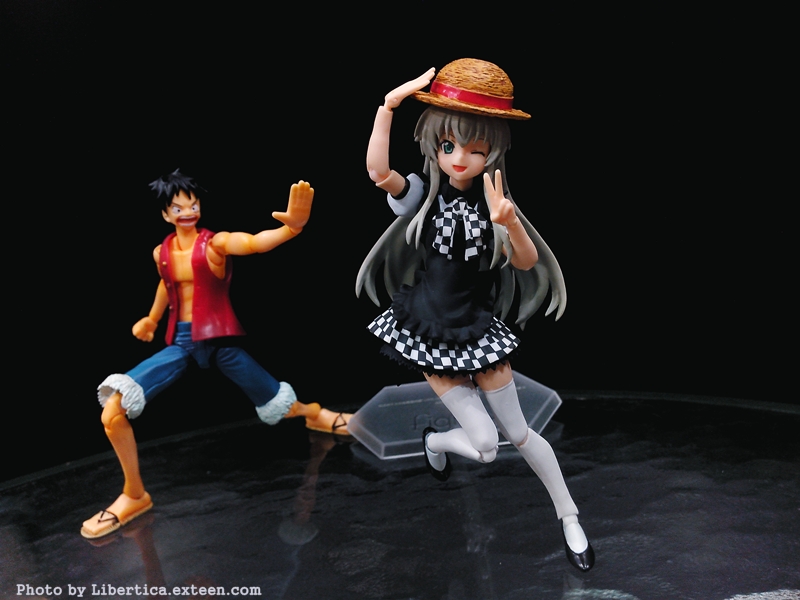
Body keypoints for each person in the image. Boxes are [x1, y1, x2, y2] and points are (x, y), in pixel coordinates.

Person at [357, 59, 594, 571]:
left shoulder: (495, 203)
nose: (460, 158)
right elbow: (379, 172)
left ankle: (570, 517)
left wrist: (510, 222)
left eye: (475, 150)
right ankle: (438, 440)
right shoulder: (423, 198)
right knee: (485, 446)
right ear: (435, 146)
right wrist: (388, 106)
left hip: (478, 328)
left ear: (493, 153)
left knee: (520, 433)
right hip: (428, 329)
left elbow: (525, 262)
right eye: (449, 147)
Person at [81, 170, 349, 539]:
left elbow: (252, 243)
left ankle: (315, 414)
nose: (187, 212)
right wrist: (152, 318)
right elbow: (167, 285)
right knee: (112, 412)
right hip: (181, 343)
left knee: (280, 404)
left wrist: (291, 229)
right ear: (165, 214)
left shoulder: (215, 244)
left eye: (192, 204)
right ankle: (134, 495)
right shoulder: (161, 253)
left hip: (219, 342)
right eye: (178, 207)